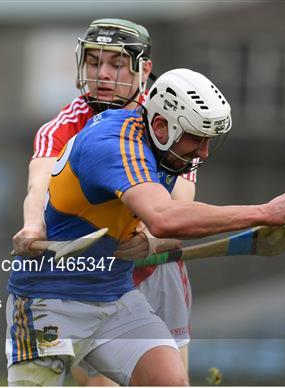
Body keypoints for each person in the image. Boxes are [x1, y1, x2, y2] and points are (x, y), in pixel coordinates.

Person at [6, 68, 285, 386]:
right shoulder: (115, 144)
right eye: (196, 138)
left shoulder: (164, 149)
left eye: (208, 140)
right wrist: (264, 212)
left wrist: (151, 241)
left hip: (115, 297)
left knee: (170, 381)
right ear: (160, 125)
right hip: (50, 300)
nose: (204, 151)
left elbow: (170, 224)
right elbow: (165, 218)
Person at [12, 19, 196, 386]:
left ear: (143, 69)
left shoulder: (167, 124)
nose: (103, 74)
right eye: (94, 63)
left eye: (116, 64)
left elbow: (180, 202)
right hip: (89, 279)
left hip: (154, 274)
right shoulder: (62, 127)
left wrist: (146, 236)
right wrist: (34, 225)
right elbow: (39, 187)